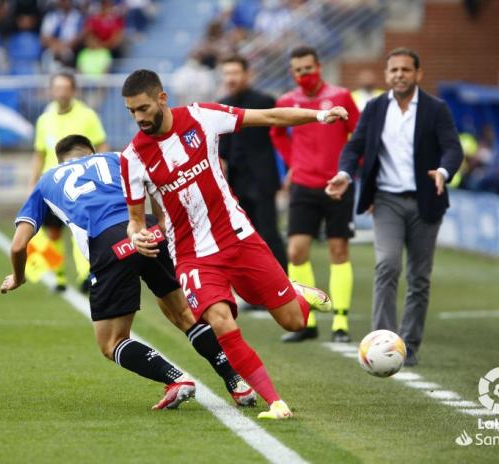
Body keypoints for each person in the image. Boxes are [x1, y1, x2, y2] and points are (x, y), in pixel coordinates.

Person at [120, 69, 346, 419]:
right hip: (193, 256)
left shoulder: (200, 116)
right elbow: (136, 218)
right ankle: (275, 402)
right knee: (220, 321)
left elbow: (269, 116)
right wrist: (136, 235)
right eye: (132, 111)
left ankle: (294, 291)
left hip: (238, 237)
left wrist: (318, 115)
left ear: (162, 98)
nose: (139, 118)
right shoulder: (132, 158)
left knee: (294, 323)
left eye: (144, 108)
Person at [0, 134, 257, 410]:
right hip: (147, 229)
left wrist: (19, 277)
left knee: (112, 342)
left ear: (60, 160)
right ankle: (237, 383)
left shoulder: (48, 179)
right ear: (91, 151)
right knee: (184, 312)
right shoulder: (115, 158)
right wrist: (161, 224)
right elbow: (159, 184)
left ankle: (175, 378)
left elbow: (17, 246)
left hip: (108, 243)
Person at [326, 48, 463, 367]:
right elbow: (354, 146)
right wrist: (345, 174)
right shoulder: (374, 108)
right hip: (386, 200)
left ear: (418, 74)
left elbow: (453, 148)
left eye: (405, 69)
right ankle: (383, 342)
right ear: (387, 75)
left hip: (427, 200)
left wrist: (443, 172)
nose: (399, 74)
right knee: (386, 264)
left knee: (419, 277)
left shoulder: (435, 109)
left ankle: (410, 346)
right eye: (394, 70)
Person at [270, 46, 360, 343]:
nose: (304, 75)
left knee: (339, 251)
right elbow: (277, 133)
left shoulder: (341, 96)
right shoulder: (287, 101)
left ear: (319, 66)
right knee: (296, 251)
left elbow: (358, 133)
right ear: (292, 73)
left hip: (337, 185)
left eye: (308, 68)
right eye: (298, 70)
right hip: (304, 186)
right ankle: (306, 321)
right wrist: (293, 163)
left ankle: (340, 323)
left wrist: (351, 168)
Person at [32, 71, 109, 292]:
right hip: (52, 186)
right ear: (51, 91)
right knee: (52, 233)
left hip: (79, 185)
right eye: (58, 88)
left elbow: (101, 146)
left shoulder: (87, 116)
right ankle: (59, 276)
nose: (62, 92)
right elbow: (39, 153)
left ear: (73, 91)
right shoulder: (44, 120)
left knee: (80, 229)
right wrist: (33, 184)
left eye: (66, 88)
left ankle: (85, 274)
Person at [218, 54, 287, 274]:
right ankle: (257, 293)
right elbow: (221, 150)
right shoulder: (222, 106)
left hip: (262, 180)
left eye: (235, 73)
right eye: (227, 73)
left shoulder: (265, 102)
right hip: (237, 182)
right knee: (245, 239)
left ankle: (285, 288)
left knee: (269, 234)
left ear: (248, 75)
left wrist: (287, 173)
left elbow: (282, 138)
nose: (231, 78)